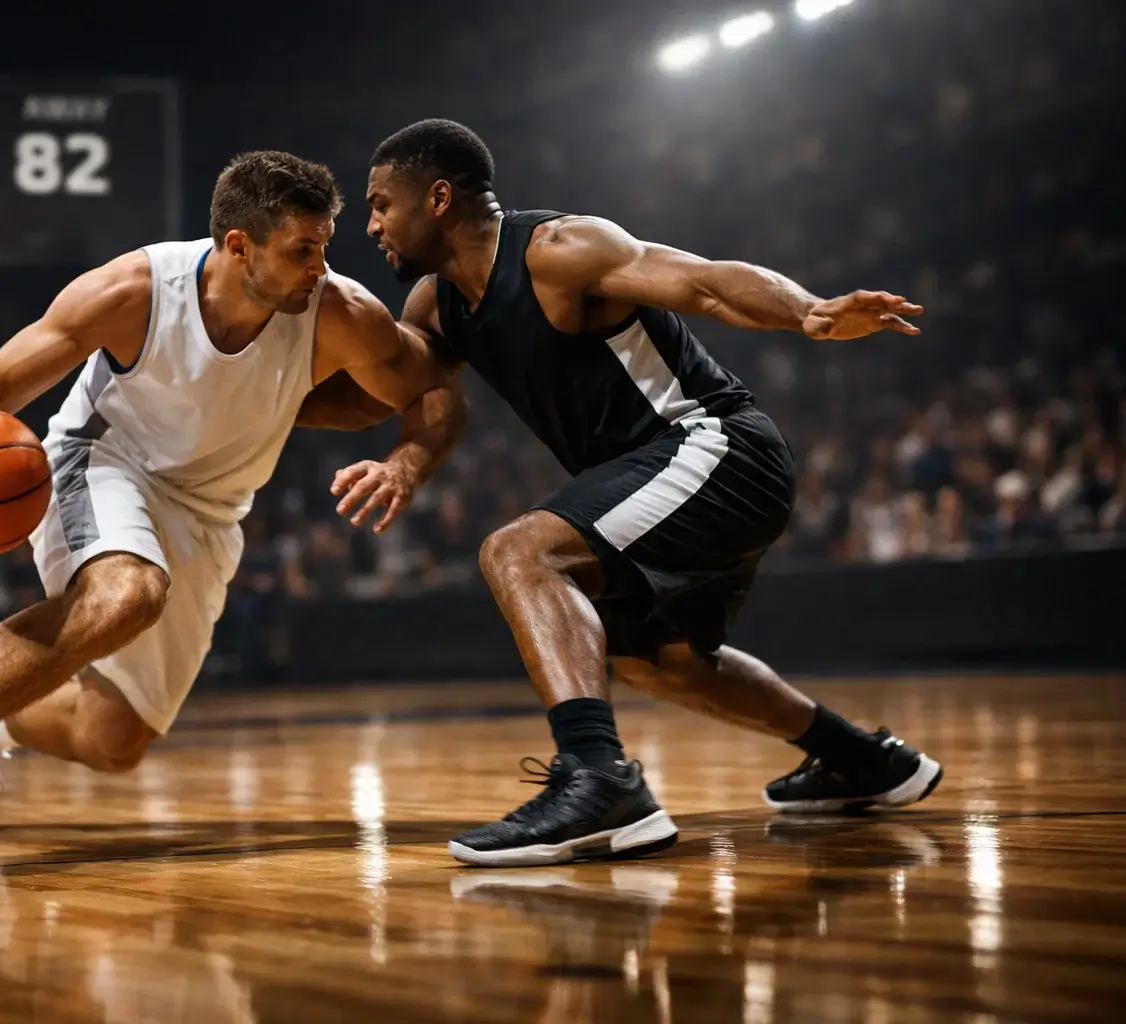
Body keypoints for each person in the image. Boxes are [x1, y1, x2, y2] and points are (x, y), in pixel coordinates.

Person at [0, 150, 465, 869]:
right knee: (127, 595)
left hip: (212, 510)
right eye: (303, 249)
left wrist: (406, 461)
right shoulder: (136, 290)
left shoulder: (337, 312)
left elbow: (433, 390)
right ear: (239, 246)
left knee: (115, 741)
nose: (319, 267)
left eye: (325, 246)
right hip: (103, 463)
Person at [299, 118, 944, 867]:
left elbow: (704, 279)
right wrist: (272, 404)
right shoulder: (435, 306)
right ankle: (862, 761)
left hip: (716, 447)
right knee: (657, 660)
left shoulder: (558, 251)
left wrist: (808, 310)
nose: (371, 224)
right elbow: (404, 400)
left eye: (381, 204)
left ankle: (600, 782)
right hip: (667, 477)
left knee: (520, 554)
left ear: (437, 198)